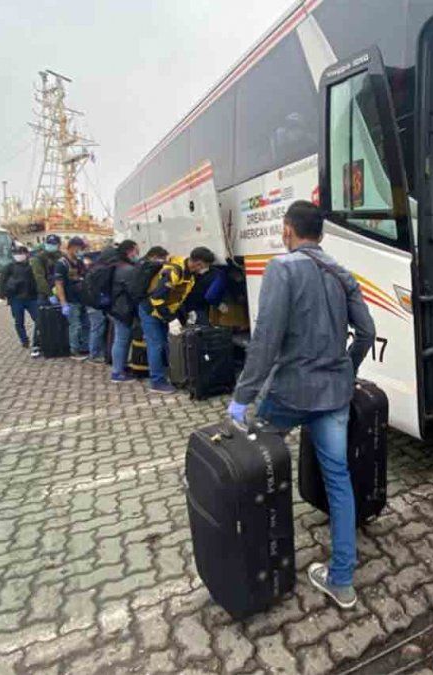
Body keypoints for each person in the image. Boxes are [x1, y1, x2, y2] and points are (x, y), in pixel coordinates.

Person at [227, 200, 375, 609]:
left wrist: (243, 397)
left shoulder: (282, 268)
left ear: (288, 231)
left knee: (260, 470)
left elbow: (266, 340)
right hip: (334, 395)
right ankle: (342, 580)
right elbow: (367, 332)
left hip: (288, 396)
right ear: (321, 234)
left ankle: (263, 567)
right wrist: (346, 369)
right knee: (338, 479)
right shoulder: (341, 273)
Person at [137, 246, 211, 393]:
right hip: (150, 310)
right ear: (197, 263)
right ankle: (157, 382)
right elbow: (157, 299)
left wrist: (185, 314)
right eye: (204, 266)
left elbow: (180, 296)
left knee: (167, 343)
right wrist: (171, 319)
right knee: (156, 344)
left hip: (165, 310)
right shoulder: (174, 272)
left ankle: (171, 376)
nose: (204, 270)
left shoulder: (189, 274)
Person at [106, 239, 142, 382]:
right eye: (136, 251)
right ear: (130, 251)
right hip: (122, 309)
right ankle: (117, 372)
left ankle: (120, 367)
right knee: (121, 339)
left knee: (121, 339)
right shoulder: (126, 269)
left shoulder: (118, 265)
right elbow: (134, 290)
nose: (137, 253)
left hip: (116, 308)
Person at [53, 236, 91, 360]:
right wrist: (63, 303)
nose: (81, 251)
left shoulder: (80, 262)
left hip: (82, 299)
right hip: (70, 300)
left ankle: (85, 348)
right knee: (75, 326)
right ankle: (74, 350)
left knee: (86, 324)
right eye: (79, 249)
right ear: (72, 248)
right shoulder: (61, 263)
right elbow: (59, 284)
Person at [0, 245, 39, 350]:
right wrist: (1, 295)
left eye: (21, 253)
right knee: (19, 321)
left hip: (31, 297)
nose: (19, 256)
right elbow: (2, 281)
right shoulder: (9, 267)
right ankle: (24, 340)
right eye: (16, 254)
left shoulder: (32, 266)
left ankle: (37, 340)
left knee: (38, 319)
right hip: (16, 299)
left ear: (27, 254)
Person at [29, 233, 63, 358]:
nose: (51, 246)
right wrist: (49, 293)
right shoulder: (39, 258)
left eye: (54, 244)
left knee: (59, 319)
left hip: (60, 292)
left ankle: (55, 343)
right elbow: (39, 278)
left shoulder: (61, 257)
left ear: (58, 245)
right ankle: (36, 345)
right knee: (41, 319)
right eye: (49, 243)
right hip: (45, 294)